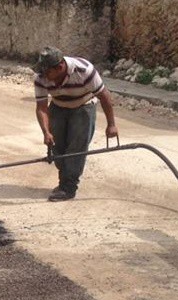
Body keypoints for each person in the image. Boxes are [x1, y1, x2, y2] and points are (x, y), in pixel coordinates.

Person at [33, 46, 119, 201]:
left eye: (47, 72)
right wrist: (46, 132)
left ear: (59, 67)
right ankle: (64, 182)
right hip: (58, 107)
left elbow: (104, 96)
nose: (43, 75)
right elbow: (41, 107)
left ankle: (69, 188)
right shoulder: (41, 77)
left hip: (83, 106)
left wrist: (111, 124)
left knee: (76, 147)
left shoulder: (84, 70)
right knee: (58, 146)